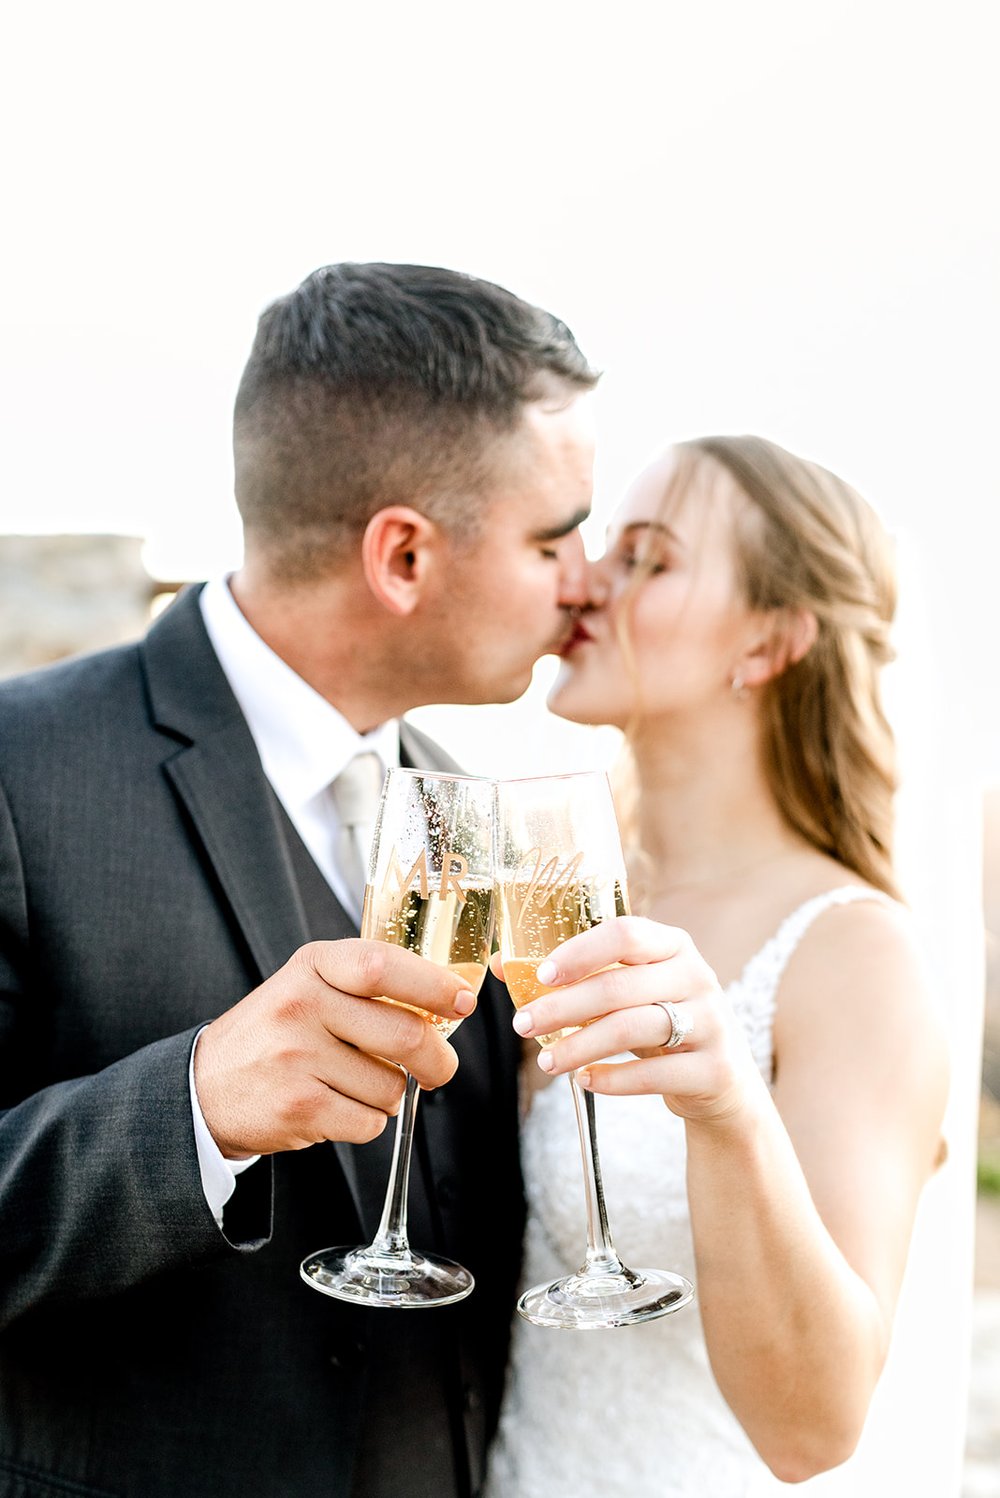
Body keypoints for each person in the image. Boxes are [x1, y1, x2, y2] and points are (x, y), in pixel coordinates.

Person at [0, 262, 599, 1498]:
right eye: (554, 537)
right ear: (403, 557)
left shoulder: (462, 804)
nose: (582, 581)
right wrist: (193, 1109)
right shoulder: (22, 767)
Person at [484, 436, 950, 1496]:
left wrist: (728, 1107)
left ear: (771, 641)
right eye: (606, 548)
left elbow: (816, 1429)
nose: (587, 581)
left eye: (647, 558)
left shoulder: (854, 952)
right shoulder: (548, 895)